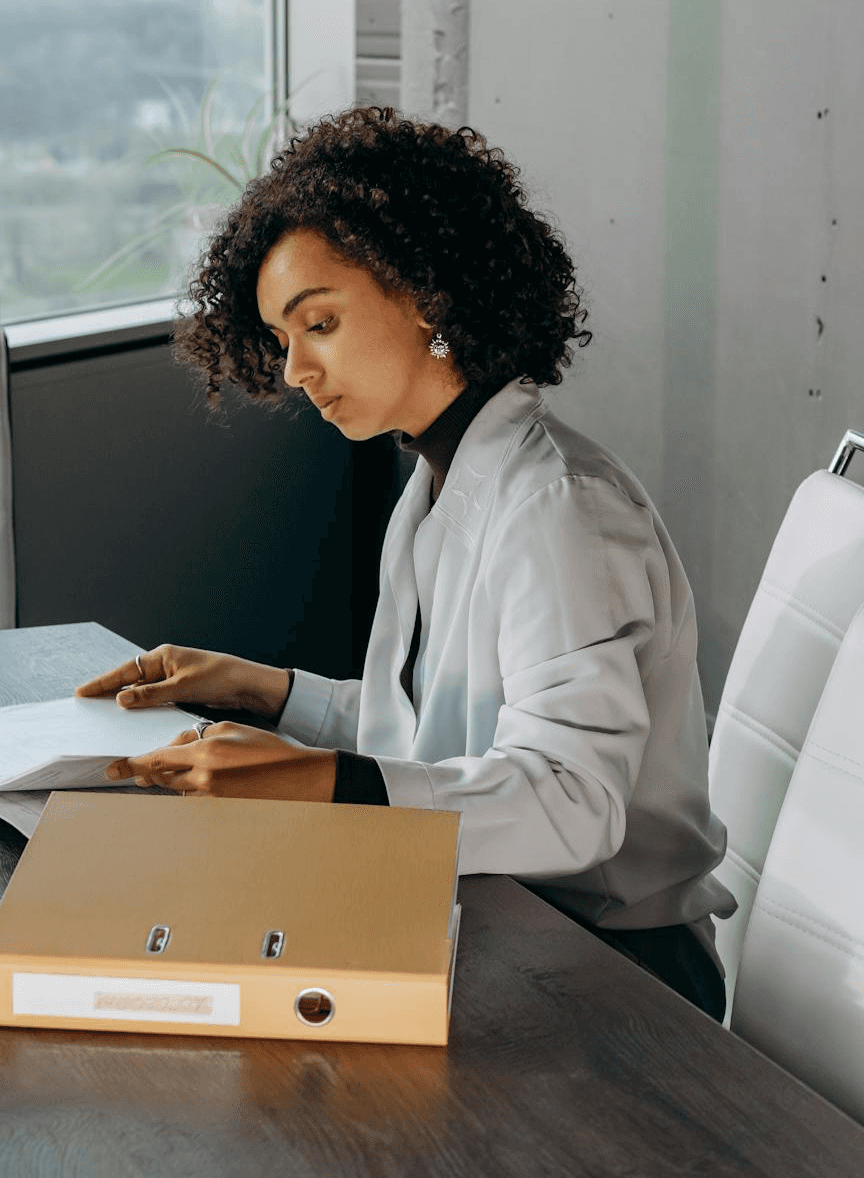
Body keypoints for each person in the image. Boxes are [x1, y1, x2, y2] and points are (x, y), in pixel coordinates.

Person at [77, 106, 737, 1019]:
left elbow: (572, 801)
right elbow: (439, 738)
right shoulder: (437, 486)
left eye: (319, 323)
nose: (296, 371)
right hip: (498, 921)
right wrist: (269, 691)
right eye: (281, 341)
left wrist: (330, 783)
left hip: (616, 984)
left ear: (425, 290)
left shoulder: (560, 510)